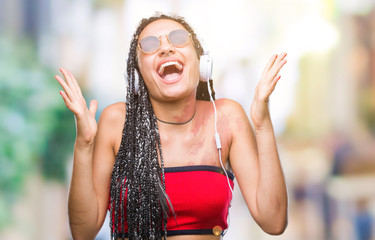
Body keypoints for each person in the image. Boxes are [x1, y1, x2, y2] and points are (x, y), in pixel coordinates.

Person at [56, 13, 288, 240]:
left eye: (178, 38)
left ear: (202, 62)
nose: (166, 48)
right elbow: (82, 233)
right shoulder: (117, 121)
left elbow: (273, 221)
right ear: (138, 75)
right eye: (149, 44)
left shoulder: (227, 117)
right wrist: (84, 144)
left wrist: (262, 124)